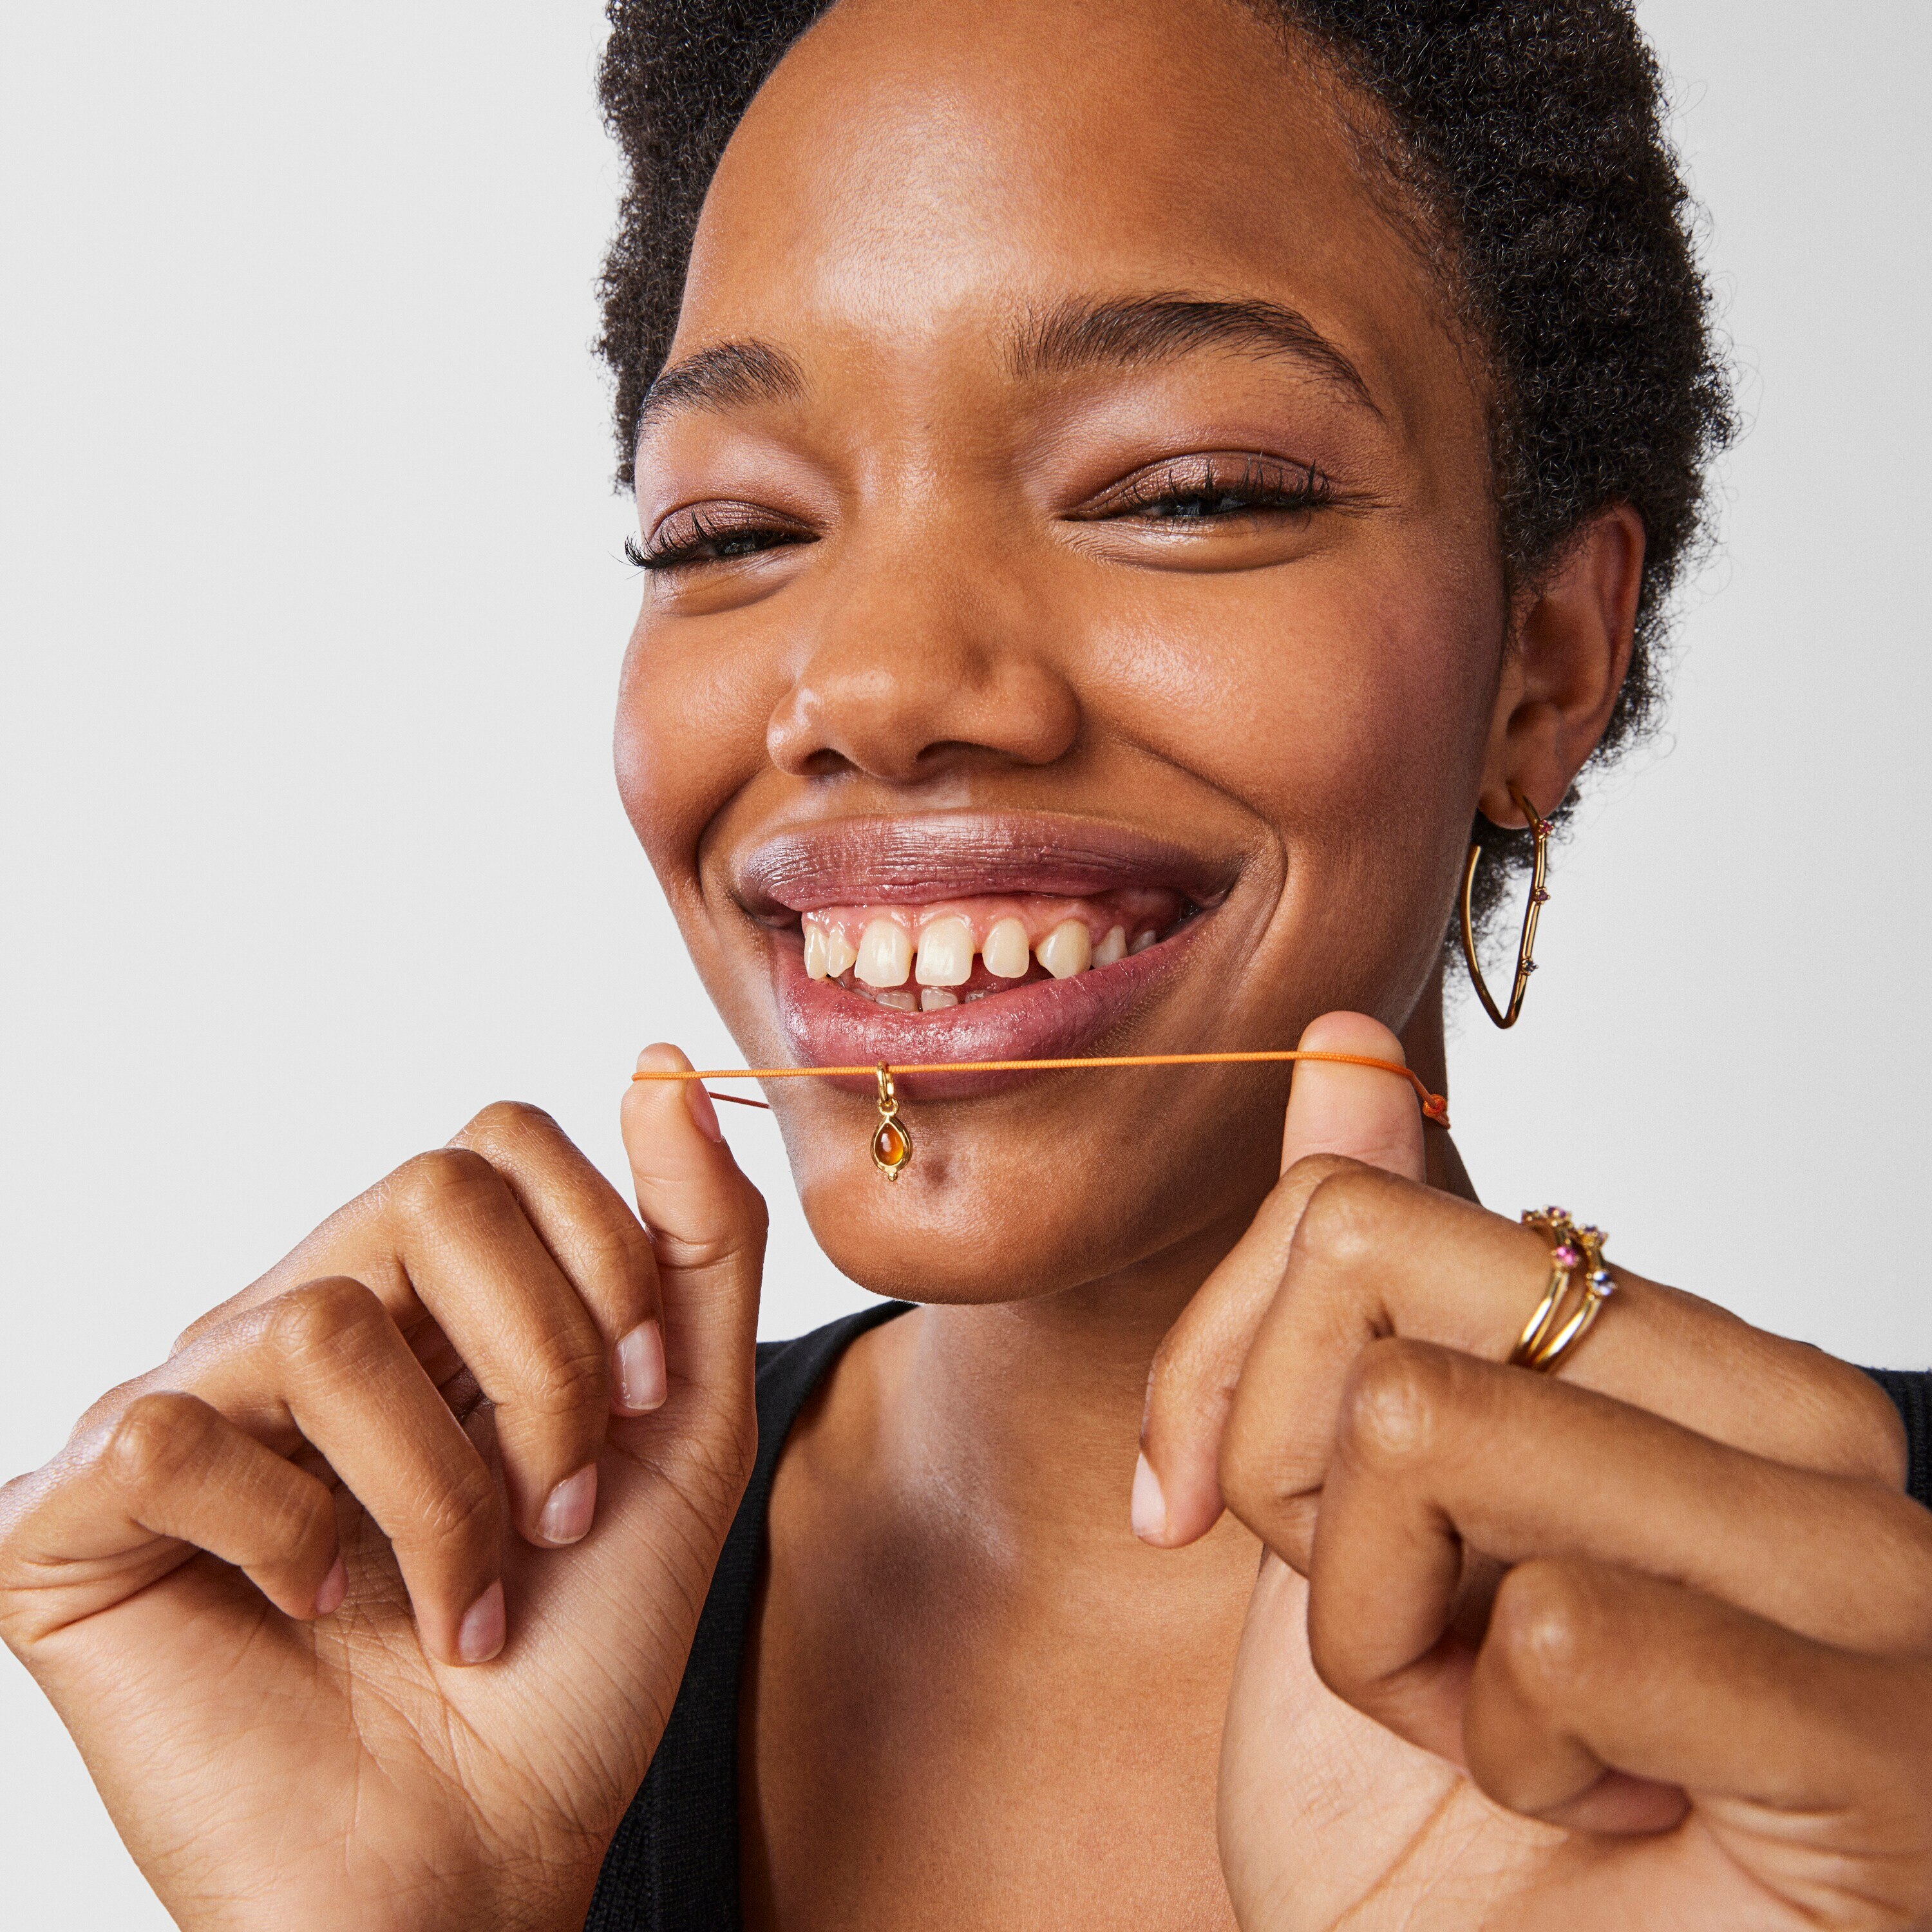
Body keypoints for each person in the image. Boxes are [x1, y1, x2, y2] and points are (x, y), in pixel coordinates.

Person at [6, 1, 1932, 1927]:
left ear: (1548, 664)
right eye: (729, 528)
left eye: (1187, 491)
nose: (875, 684)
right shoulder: (441, 1652)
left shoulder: (1884, 1696)